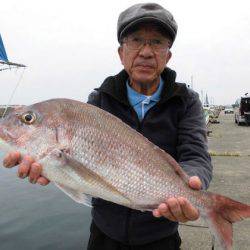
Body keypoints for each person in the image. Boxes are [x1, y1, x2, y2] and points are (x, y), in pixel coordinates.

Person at [3, 3, 212, 250]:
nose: (146, 51)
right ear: (121, 52)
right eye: (136, 40)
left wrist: (191, 184)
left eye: (157, 42)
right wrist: (50, 169)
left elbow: (196, 154)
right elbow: (73, 172)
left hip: (160, 236)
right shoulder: (99, 101)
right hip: (104, 234)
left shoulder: (186, 101)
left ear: (168, 55)